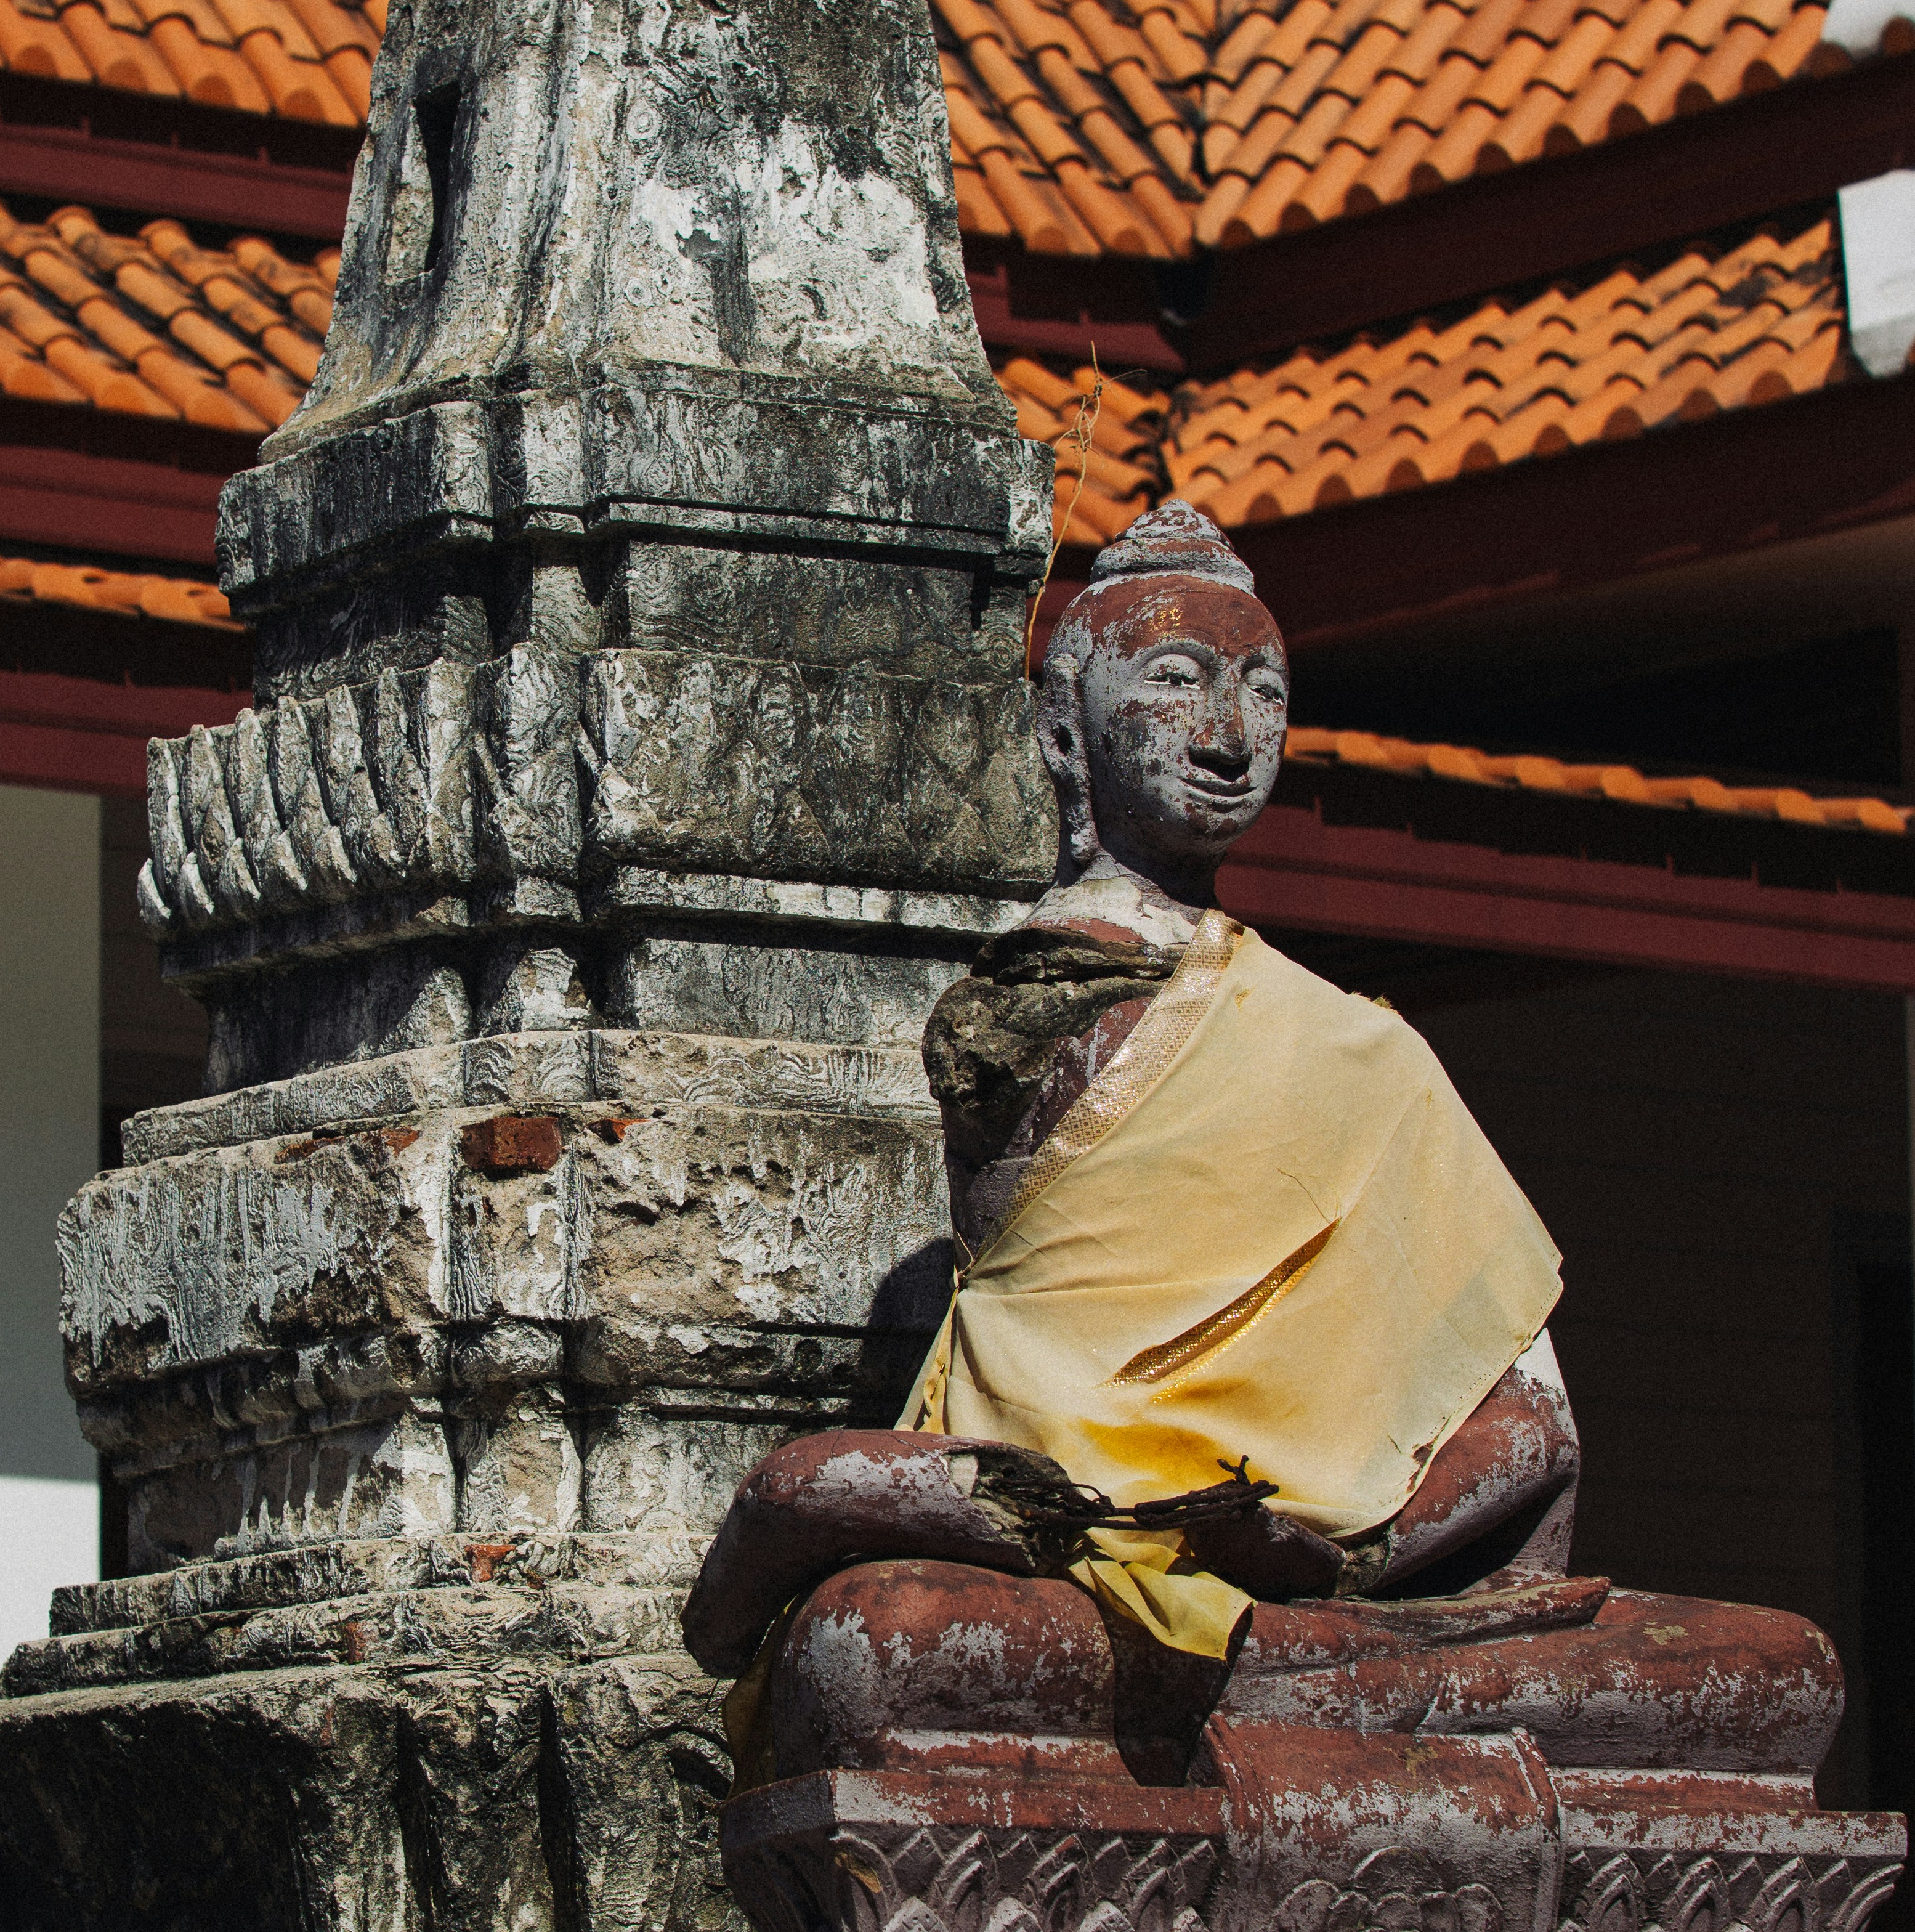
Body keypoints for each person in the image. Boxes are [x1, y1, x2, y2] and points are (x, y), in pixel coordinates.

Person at [686, 501, 1829, 1793]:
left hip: (1322, 1582)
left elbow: (1530, 1425)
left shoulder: (1360, 1054)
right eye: (1173, 685)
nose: (1227, 739)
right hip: (1054, 1530)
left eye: (1262, 694)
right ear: (1062, 729)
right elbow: (1046, 1408)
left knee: (1771, 1671)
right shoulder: (1017, 1006)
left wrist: (1346, 1552)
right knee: (882, 1640)